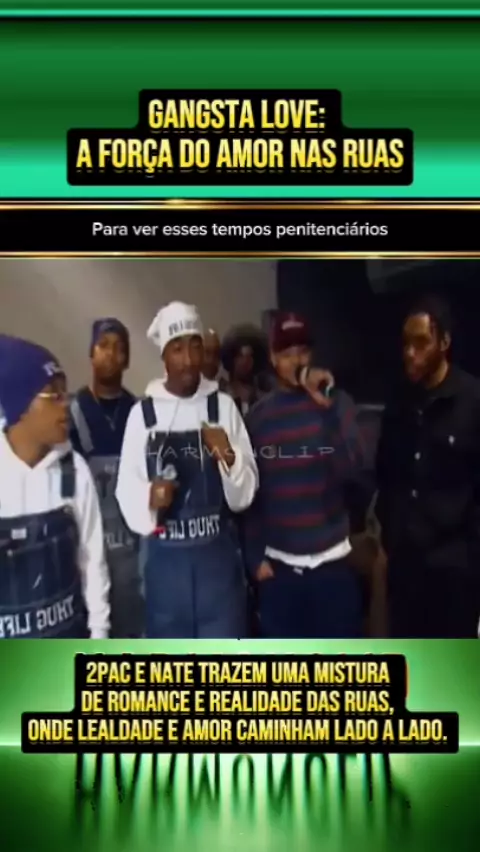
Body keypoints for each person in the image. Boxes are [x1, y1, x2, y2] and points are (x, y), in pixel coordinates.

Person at [115, 301, 259, 639]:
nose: (189, 359)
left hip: (217, 569)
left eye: (195, 346)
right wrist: (150, 498)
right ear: (164, 356)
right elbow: (125, 489)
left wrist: (229, 457)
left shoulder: (222, 407)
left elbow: (245, 495)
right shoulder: (144, 415)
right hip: (166, 568)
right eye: (177, 349)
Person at [244, 312, 367, 639]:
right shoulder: (259, 418)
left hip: (332, 565)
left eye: (302, 351)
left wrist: (327, 410)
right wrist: (254, 558)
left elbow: (354, 468)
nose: (296, 360)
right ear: (273, 358)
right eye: (286, 353)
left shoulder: (337, 403)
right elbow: (250, 494)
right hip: (280, 572)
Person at [376, 295, 480, 638]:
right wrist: (391, 534)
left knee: (451, 667)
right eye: (406, 343)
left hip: (455, 573)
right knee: (411, 663)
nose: (410, 353)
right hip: (406, 569)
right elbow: (386, 474)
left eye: (421, 342)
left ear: (444, 342)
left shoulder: (472, 402)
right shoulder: (398, 403)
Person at [0, 335, 110, 639]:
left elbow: (93, 563)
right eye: (54, 395)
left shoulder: (74, 471)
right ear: (20, 405)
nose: (67, 405)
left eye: (66, 392)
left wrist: (99, 636)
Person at [70, 318, 142, 638]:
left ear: (127, 359)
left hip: (132, 557)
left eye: (119, 348)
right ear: (91, 353)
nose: (111, 354)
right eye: (103, 346)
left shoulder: (139, 413)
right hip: (87, 552)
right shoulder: (72, 413)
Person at [220, 324, 270, 418]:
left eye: (250, 356)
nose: (245, 361)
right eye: (240, 356)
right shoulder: (221, 398)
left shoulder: (265, 401)